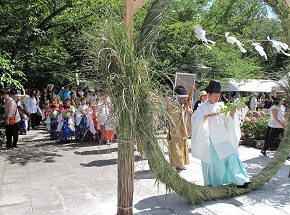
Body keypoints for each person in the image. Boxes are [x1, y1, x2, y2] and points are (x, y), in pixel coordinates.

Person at [191, 80, 252, 188]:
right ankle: (212, 183)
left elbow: (227, 118)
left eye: (218, 95)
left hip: (222, 137)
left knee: (232, 157)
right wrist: (206, 116)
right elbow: (195, 120)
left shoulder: (221, 106)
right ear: (208, 95)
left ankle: (242, 180)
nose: (217, 98)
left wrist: (232, 113)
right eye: (214, 95)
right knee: (214, 163)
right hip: (210, 139)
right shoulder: (202, 107)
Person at [166, 85, 192, 171]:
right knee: (176, 148)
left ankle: (181, 164)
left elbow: (190, 113)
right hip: (175, 131)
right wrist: (184, 108)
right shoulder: (173, 105)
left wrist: (187, 107)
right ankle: (176, 164)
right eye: (184, 98)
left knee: (183, 147)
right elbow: (174, 115)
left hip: (183, 131)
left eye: (186, 98)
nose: (185, 100)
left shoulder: (184, 105)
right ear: (179, 98)